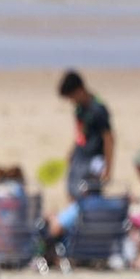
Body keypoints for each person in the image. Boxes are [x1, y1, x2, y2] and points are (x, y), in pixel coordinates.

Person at [58, 70, 114, 198]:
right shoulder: (79, 109)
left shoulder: (98, 109)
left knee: (88, 194)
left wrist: (108, 169)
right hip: (80, 156)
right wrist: (71, 152)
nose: (71, 101)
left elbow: (109, 139)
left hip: (94, 159)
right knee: (71, 191)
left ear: (80, 90)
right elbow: (81, 133)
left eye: (72, 97)